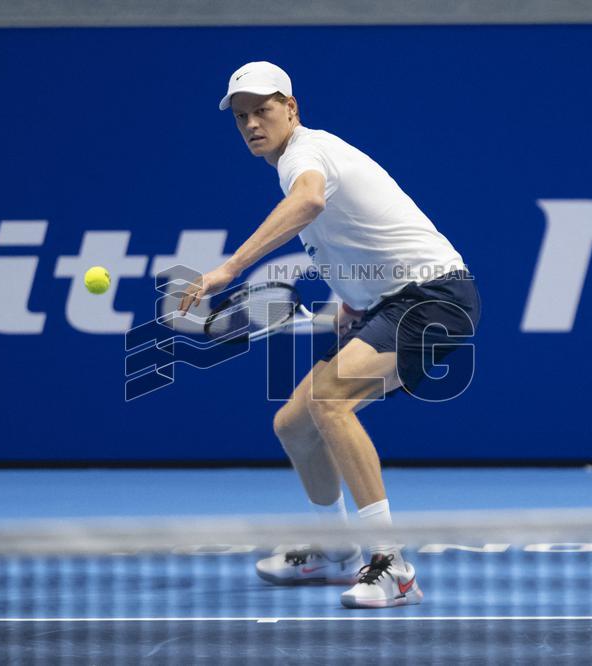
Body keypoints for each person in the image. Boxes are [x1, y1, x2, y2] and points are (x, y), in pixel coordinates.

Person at [178, 61, 480, 608]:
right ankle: (336, 548)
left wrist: (230, 268)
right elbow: (353, 236)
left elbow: (311, 202)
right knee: (293, 424)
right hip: (391, 301)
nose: (251, 124)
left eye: (263, 110)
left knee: (331, 401)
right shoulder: (299, 159)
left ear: (291, 108)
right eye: (242, 116)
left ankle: (393, 566)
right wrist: (351, 303)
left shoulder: (304, 155)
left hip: (437, 298)